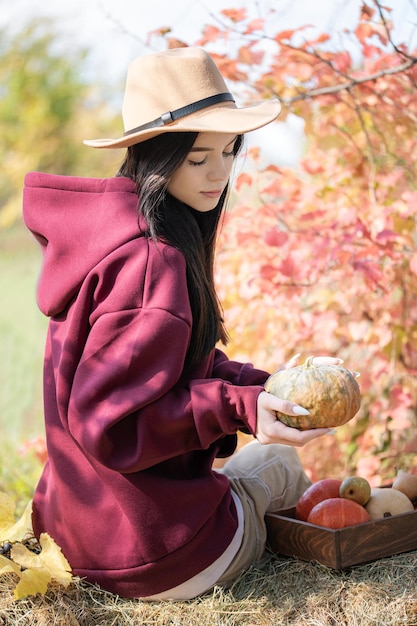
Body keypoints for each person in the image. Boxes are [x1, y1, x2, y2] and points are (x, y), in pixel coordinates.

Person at [23, 47, 339, 600]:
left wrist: (259, 388)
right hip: (159, 559)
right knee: (283, 463)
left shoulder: (103, 241)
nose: (219, 174)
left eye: (227, 151)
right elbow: (110, 424)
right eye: (197, 159)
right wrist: (238, 408)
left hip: (71, 543)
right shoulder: (154, 259)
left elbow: (163, 366)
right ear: (156, 156)